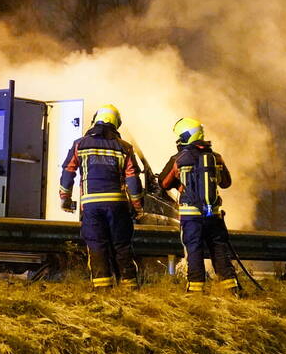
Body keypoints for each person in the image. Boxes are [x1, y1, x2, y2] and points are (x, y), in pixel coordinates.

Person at [60, 104, 144, 289]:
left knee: (97, 245)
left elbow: (68, 173)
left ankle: (103, 290)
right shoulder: (125, 147)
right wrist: (138, 207)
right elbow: (133, 181)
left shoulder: (79, 144)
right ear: (116, 124)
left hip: (91, 206)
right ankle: (129, 288)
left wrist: (65, 199)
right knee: (121, 245)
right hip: (117, 205)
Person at [158, 117, 239, 295]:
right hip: (214, 216)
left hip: (191, 215)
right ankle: (231, 289)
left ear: (186, 137)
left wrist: (180, 184)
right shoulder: (216, 158)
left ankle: (195, 290)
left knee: (194, 250)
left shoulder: (178, 159)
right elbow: (226, 183)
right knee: (219, 249)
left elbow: (163, 183)